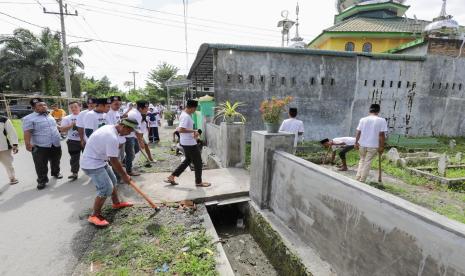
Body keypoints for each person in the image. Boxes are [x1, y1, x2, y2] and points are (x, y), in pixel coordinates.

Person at [81, 119, 137, 227]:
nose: (130, 133)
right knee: (105, 189)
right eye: (129, 130)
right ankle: (94, 216)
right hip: (92, 164)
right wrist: (124, 175)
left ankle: (116, 203)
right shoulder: (111, 137)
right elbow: (114, 160)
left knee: (113, 181)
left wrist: (123, 174)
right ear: (123, 126)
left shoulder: (110, 128)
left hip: (100, 160)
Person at [165, 100, 210, 187]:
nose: (195, 110)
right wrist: (194, 131)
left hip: (187, 141)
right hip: (189, 143)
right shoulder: (186, 116)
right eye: (195, 108)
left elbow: (180, 128)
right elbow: (181, 129)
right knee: (198, 162)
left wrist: (193, 133)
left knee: (188, 160)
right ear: (192, 107)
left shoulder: (184, 114)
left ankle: (171, 176)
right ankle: (198, 182)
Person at [22, 98, 62, 190]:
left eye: (44, 105)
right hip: (40, 146)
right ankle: (42, 180)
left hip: (55, 143)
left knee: (56, 160)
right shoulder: (29, 118)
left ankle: (56, 173)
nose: (44, 106)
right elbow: (27, 132)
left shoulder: (49, 115)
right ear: (33, 108)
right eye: (40, 105)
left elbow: (55, 127)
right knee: (40, 164)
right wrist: (27, 144)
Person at [355, 104, 388, 182]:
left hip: (362, 144)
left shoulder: (363, 119)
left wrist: (356, 142)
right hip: (373, 145)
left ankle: (358, 177)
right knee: (367, 162)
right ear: (378, 111)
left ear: (369, 110)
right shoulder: (382, 120)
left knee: (362, 160)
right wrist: (382, 146)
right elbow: (381, 135)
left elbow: (358, 132)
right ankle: (362, 179)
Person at [124, 100, 149, 176]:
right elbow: (137, 130)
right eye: (146, 108)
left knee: (135, 150)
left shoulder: (136, 112)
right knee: (131, 154)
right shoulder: (136, 114)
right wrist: (141, 142)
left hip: (132, 135)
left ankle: (124, 162)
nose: (147, 110)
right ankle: (128, 170)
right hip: (128, 136)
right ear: (140, 108)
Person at [59, 101, 82, 180]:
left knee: (89, 157)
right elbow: (62, 130)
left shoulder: (85, 116)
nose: (73, 109)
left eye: (75, 107)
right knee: (74, 158)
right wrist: (71, 125)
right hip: (73, 141)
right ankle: (74, 173)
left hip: (85, 141)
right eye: (71, 107)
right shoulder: (67, 118)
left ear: (80, 107)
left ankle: (93, 172)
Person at [0, 115, 19, 184]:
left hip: (3, 147)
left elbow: (11, 132)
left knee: (8, 164)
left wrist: (15, 144)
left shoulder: (3, 119)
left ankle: (12, 177)